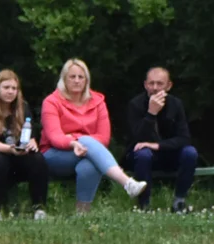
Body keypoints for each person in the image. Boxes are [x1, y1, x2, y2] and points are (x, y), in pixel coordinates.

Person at [40, 58, 146, 213]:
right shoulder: (51, 102)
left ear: (86, 80)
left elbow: (103, 137)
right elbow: (54, 136)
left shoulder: (97, 101)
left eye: (81, 77)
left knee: (90, 164)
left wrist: (79, 141)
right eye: (72, 77)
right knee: (87, 142)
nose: (77, 81)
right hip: (55, 155)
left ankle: (82, 212)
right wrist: (74, 142)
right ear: (64, 79)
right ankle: (126, 182)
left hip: (87, 153)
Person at [0, 69, 49, 222]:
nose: (10, 92)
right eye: (6, 88)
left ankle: (39, 209)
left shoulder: (23, 107)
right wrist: (11, 150)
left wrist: (32, 144)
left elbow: (30, 135)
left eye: (14, 88)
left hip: (15, 156)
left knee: (38, 159)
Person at [126, 67, 198, 212]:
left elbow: (184, 138)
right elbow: (136, 139)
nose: (155, 88)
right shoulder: (135, 105)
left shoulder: (176, 104)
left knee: (190, 152)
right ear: (145, 85)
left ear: (168, 86)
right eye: (151, 83)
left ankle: (179, 201)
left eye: (160, 84)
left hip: (169, 153)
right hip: (143, 158)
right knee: (143, 154)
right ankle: (144, 205)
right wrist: (151, 113)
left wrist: (157, 145)